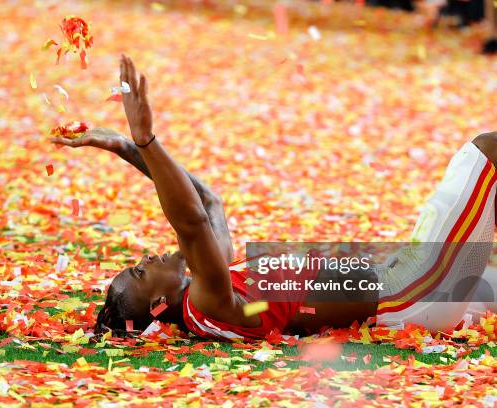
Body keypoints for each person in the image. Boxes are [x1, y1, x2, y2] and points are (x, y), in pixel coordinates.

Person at [52, 55, 496, 340]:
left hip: (407, 287)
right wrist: (145, 138)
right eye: (140, 270)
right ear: (157, 305)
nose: (146, 257)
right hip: (414, 292)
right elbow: (191, 221)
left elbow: (208, 204)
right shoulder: (208, 303)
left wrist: (123, 148)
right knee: (486, 151)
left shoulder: (214, 282)